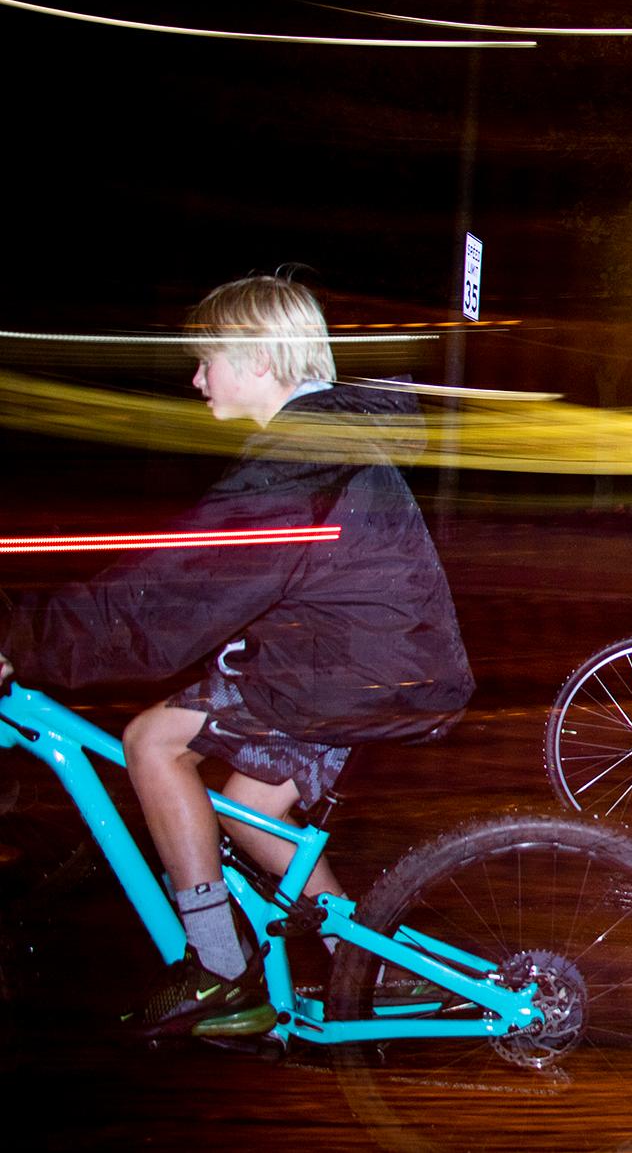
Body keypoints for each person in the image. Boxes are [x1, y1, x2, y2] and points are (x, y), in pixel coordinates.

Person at [0, 275, 472, 1037]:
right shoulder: (319, 438)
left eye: (206, 358)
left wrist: (19, 636)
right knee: (253, 812)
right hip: (365, 663)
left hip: (346, 670)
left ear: (257, 357)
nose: (196, 378)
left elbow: (173, 595)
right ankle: (374, 972)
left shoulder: (297, 458)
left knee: (152, 741)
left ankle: (220, 965)